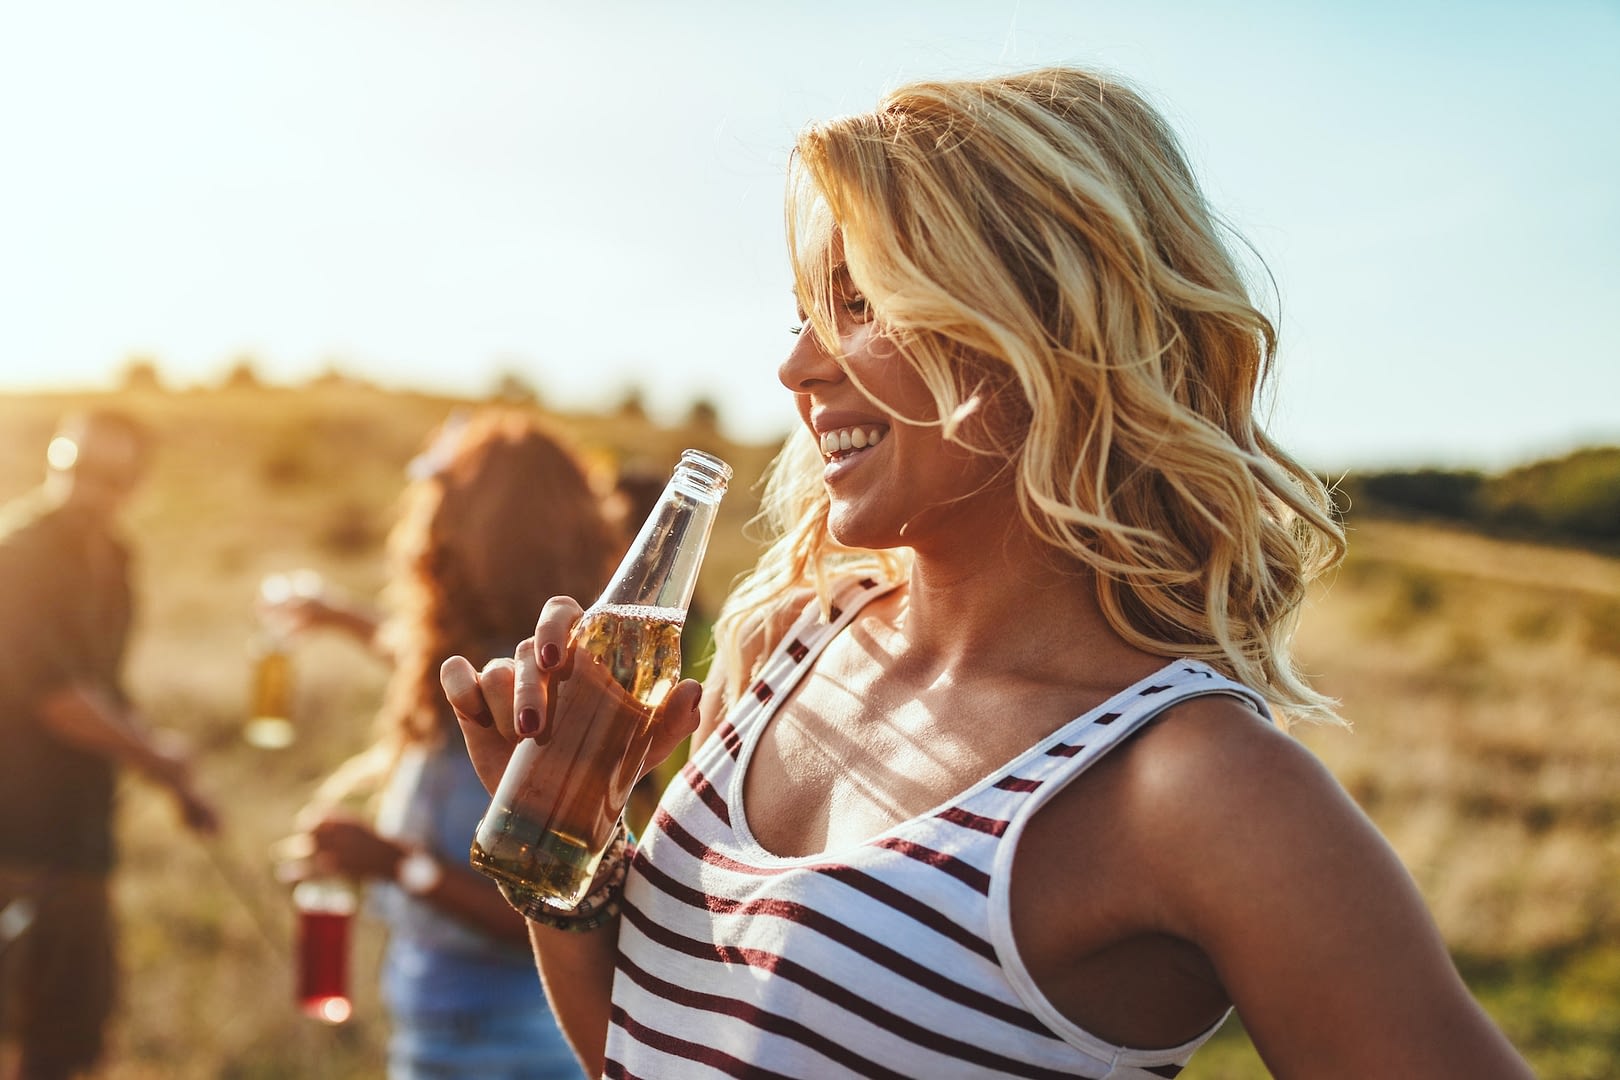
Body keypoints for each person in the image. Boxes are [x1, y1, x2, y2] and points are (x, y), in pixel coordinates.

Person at [441, 68, 1536, 1078]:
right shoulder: (783, 642)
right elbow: (650, 1049)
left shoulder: (1195, 789)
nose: (796, 366)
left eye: (862, 304)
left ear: (1042, 333)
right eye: (805, 313)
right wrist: (567, 841)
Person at [281, 410, 619, 1079]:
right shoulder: (486, 662)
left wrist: (392, 863)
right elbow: (415, 656)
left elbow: (547, 911)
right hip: (448, 1026)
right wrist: (336, 615)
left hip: (510, 1044)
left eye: (443, 503)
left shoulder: (533, 698)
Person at [0, 409, 219, 1080]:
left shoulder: (117, 559)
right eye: (73, 468)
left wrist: (178, 785)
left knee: (72, 1040)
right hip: (13, 838)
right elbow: (55, 698)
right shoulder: (18, 555)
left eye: (108, 475)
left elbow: (104, 690)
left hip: (80, 836)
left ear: (135, 484)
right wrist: (158, 759)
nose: (85, 487)